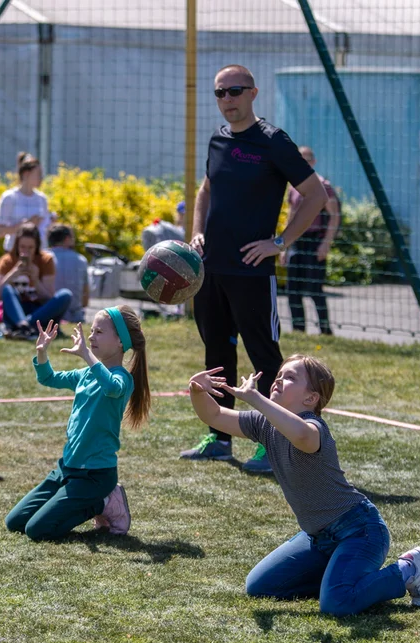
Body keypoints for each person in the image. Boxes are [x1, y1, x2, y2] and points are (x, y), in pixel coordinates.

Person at [187, 355, 420, 616]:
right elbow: (214, 415)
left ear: (311, 399)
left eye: (291, 377)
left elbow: (302, 436)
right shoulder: (265, 424)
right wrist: (197, 389)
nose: (280, 379)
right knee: (260, 586)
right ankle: (341, 576)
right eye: (280, 375)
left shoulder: (313, 427)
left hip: (360, 532)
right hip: (317, 538)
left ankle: (408, 569)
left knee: (336, 604)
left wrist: (256, 399)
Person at [181, 64, 327, 476]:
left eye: (235, 91)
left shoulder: (273, 141)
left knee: (264, 356)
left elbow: (316, 195)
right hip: (212, 271)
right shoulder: (217, 139)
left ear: (253, 93)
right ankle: (219, 438)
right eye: (220, 93)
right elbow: (205, 189)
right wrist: (196, 233)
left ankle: (271, 443)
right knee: (217, 354)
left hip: (252, 273)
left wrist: (279, 242)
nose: (227, 99)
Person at [5, 308, 150, 540]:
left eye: (99, 331)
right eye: (91, 330)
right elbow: (48, 378)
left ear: (121, 342)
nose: (91, 336)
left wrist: (87, 356)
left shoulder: (122, 378)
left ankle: (103, 502)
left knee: (37, 530)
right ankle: (87, 499)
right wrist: (42, 352)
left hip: (96, 475)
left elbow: (112, 388)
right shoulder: (86, 374)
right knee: (15, 523)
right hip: (67, 468)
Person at [287, 146, 342, 335]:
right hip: (296, 241)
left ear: (314, 162)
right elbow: (292, 215)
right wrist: (284, 246)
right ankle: (298, 329)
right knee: (293, 289)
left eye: (308, 159)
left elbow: (334, 216)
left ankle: (325, 330)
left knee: (314, 288)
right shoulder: (293, 187)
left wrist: (326, 243)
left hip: (315, 240)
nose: (305, 162)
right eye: (301, 159)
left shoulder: (323, 186)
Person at [0, 223, 72, 337]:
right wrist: (12, 274)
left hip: (38, 311)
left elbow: (49, 298)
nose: (26, 252)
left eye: (30, 248)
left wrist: (35, 279)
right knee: (7, 289)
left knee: (65, 295)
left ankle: (23, 326)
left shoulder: (46, 260)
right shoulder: (7, 261)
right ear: (17, 245)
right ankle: (24, 325)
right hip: (16, 309)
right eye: (22, 247)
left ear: (37, 246)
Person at [0, 152, 53, 252]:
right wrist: (25, 225)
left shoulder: (41, 198)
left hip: (38, 252)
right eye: (38, 174)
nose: (41, 178)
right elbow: (0, 232)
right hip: (14, 252)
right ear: (26, 174)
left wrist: (51, 223)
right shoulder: (9, 197)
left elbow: (44, 228)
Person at [48, 223, 90, 323]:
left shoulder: (43, 258)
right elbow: (85, 300)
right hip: (76, 316)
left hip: (49, 314)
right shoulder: (81, 260)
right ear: (67, 239)